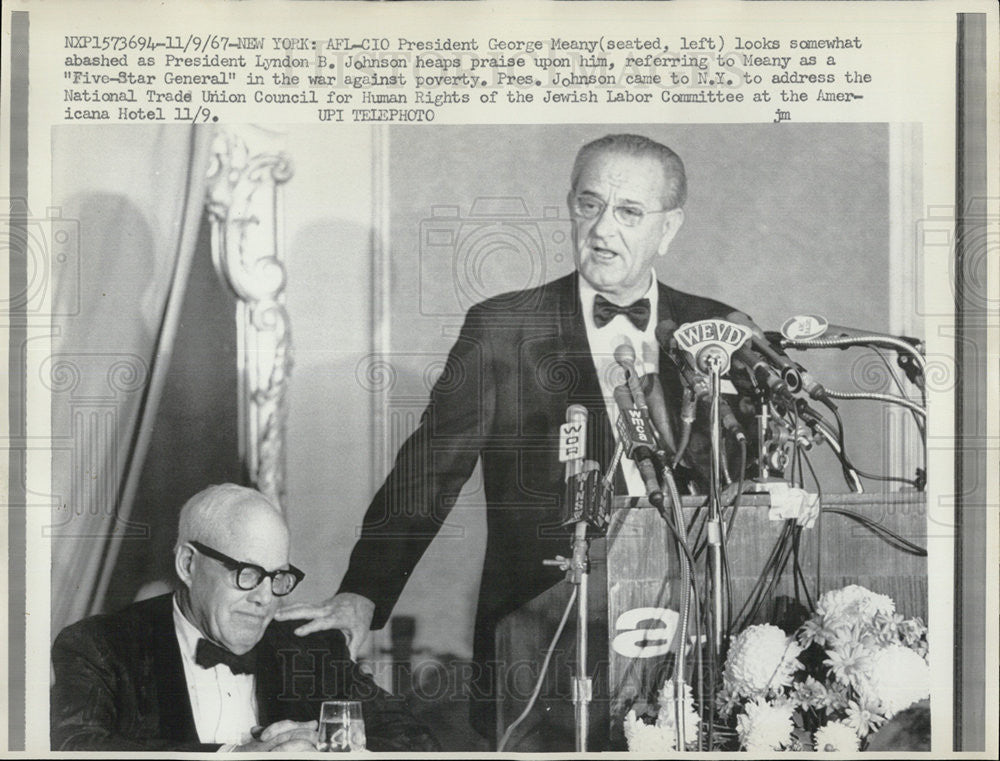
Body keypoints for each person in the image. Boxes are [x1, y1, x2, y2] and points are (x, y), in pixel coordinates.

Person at [277, 134, 744, 740]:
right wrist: (363, 593)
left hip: (685, 635)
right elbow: (428, 473)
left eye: (629, 212)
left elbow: (744, 485)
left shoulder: (719, 332)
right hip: (538, 643)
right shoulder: (503, 328)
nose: (602, 229)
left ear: (670, 227)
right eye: (588, 204)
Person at [50, 483, 438, 752]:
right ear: (188, 564)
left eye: (278, 578)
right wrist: (234, 757)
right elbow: (75, 749)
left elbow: (418, 741)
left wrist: (332, 739)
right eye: (247, 575)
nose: (266, 599)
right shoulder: (101, 647)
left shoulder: (311, 647)